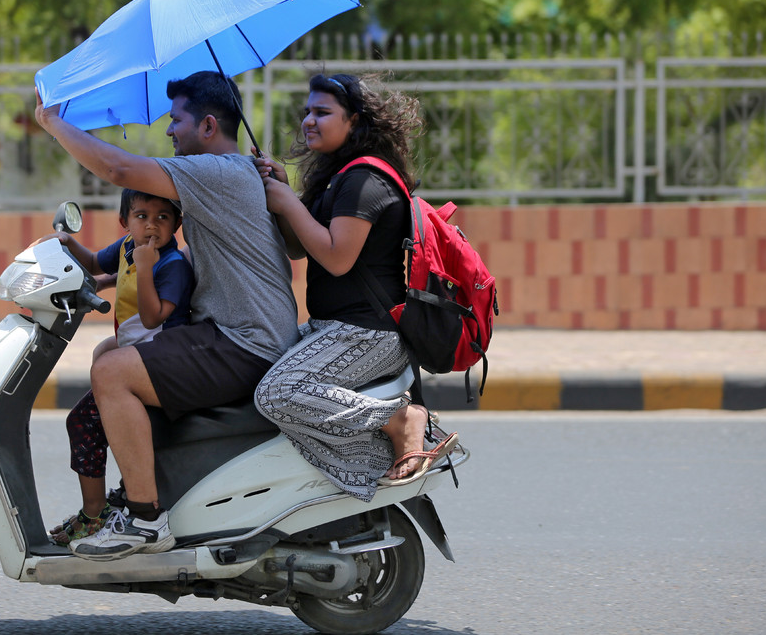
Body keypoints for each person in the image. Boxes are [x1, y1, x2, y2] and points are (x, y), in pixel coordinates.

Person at [34, 70, 299, 559]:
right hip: (235, 334)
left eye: (176, 120)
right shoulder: (233, 175)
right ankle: (142, 491)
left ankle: (144, 519)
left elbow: (118, 170)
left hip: (245, 341)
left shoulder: (216, 172)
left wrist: (52, 122)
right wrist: (109, 278)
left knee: (112, 372)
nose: (168, 130)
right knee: (112, 350)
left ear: (207, 125)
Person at [253, 73, 458, 502]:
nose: (308, 120)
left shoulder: (366, 180)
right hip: (333, 329)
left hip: (369, 333)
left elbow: (335, 256)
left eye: (322, 112)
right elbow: (297, 247)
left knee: (278, 393)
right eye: (307, 111)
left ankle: (399, 422)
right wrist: (280, 191)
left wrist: (289, 202)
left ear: (356, 121)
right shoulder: (337, 177)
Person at [39, 188, 194, 547]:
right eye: (141, 217)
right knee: (101, 351)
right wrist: (66, 242)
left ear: (177, 224)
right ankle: (115, 496)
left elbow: (155, 316)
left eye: (162, 218)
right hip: (134, 349)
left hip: (161, 359)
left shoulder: (171, 266)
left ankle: (95, 514)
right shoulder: (127, 247)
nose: (151, 226)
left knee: (82, 421)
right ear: (125, 222)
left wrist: (144, 267)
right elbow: (94, 263)